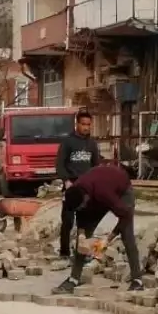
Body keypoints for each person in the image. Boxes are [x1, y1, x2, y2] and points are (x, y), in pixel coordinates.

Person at [51, 158, 144, 295]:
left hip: (121, 190)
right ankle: (73, 279)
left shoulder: (103, 193)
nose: (81, 208)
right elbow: (81, 216)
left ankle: (137, 281)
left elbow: (126, 216)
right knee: (81, 242)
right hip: (96, 194)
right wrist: (82, 236)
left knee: (127, 235)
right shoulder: (77, 191)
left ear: (86, 198)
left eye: (82, 206)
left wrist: (108, 239)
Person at [54, 109, 102, 260]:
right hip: (71, 187)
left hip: (86, 188)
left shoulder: (92, 144)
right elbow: (59, 164)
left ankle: (82, 252)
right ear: (77, 124)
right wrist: (66, 181)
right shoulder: (68, 142)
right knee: (67, 221)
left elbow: (96, 166)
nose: (86, 127)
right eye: (83, 124)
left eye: (88, 124)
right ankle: (64, 252)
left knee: (85, 222)